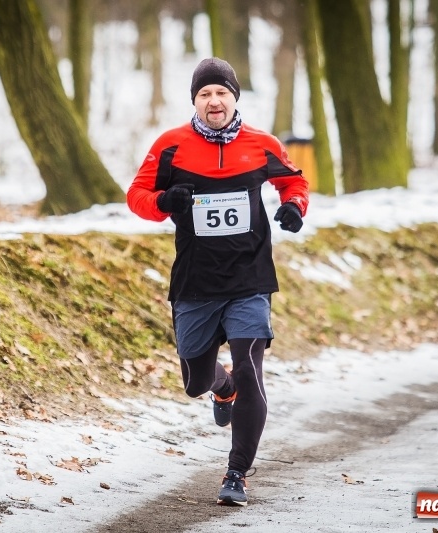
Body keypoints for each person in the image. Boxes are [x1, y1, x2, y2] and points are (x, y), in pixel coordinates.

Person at [126, 57, 309, 507]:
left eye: (221, 92)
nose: (214, 100)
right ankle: (220, 388)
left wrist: (294, 209)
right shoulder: (171, 146)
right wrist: (165, 200)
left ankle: (236, 473)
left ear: (234, 98)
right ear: (195, 101)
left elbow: (293, 183)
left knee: (250, 366)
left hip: (249, 276)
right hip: (195, 278)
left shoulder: (261, 144)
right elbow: (137, 196)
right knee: (195, 378)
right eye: (204, 93)